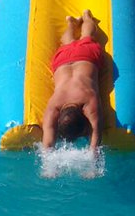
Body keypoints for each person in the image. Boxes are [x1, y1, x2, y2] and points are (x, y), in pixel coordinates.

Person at [42, 9, 103, 154]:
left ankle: (82, 19)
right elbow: (95, 139)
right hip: (62, 62)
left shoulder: (87, 101)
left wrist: (50, 169)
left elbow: (47, 144)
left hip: (85, 57)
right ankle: (79, 19)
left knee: (84, 37)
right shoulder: (55, 105)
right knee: (70, 42)